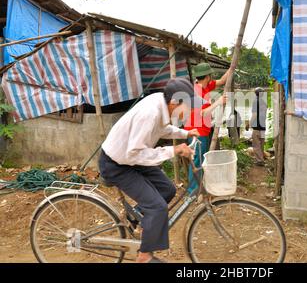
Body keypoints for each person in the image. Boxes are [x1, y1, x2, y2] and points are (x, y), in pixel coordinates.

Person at [98, 78, 201, 263]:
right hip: (117, 164)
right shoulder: (150, 113)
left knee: (167, 190)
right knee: (157, 207)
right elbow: (134, 154)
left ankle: (136, 216)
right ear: (174, 103)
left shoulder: (160, 103)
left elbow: (161, 130)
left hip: (131, 158)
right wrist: (175, 150)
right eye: (187, 107)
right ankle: (144, 257)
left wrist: (185, 133)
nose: (189, 111)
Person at [183, 63, 232, 193]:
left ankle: (199, 187)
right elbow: (203, 113)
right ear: (208, 76)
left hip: (202, 130)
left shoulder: (205, 86)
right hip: (196, 132)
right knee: (197, 160)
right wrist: (218, 102)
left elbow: (221, 81)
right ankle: (193, 191)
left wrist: (231, 69)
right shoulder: (197, 91)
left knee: (200, 159)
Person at [250, 87, 267, 166]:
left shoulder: (255, 102)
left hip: (257, 127)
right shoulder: (264, 102)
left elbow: (255, 114)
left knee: (256, 145)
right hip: (263, 126)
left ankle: (259, 161)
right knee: (261, 144)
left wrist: (249, 124)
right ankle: (261, 158)